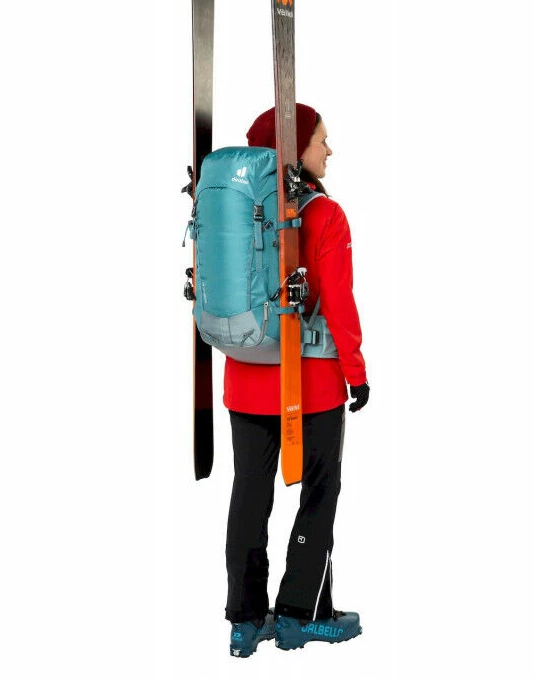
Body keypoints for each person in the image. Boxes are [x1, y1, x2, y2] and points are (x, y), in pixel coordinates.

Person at [224, 102, 370, 657]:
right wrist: (356, 372)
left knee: (249, 494)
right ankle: (299, 617)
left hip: (244, 379)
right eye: (321, 140)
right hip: (311, 387)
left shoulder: (234, 210)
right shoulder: (325, 215)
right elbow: (339, 304)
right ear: (295, 149)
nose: (329, 150)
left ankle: (244, 622)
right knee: (319, 493)